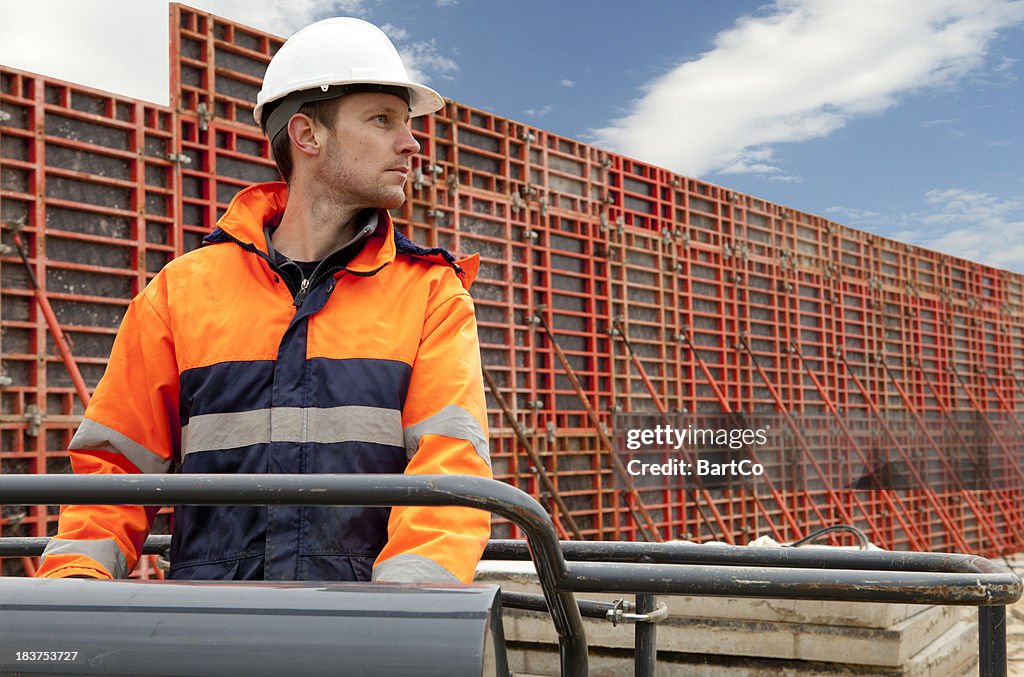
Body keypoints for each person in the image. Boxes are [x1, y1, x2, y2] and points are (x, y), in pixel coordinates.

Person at [35, 17, 492, 583]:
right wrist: (75, 587)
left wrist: (403, 617)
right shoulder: (182, 293)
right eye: (382, 120)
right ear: (307, 136)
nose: (411, 142)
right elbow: (115, 473)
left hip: (364, 635)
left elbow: (448, 474)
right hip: (207, 634)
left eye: (406, 124)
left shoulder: (430, 295)